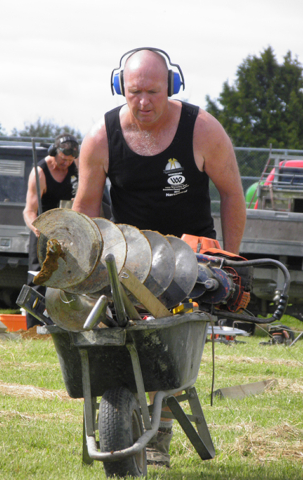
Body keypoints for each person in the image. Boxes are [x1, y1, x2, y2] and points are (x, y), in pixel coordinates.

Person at [72, 48, 246, 467]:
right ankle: (122, 411)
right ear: (120, 88)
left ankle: (157, 437)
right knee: (117, 333)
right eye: (135, 92)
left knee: (167, 341)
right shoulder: (101, 137)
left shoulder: (202, 130)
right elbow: (86, 210)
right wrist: (80, 270)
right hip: (132, 256)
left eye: (153, 91)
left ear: (172, 86)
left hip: (193, 257)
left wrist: (231, 258)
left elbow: (233, 195)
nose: (144, 101)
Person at [23, 134, 79, 329]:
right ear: (54, 153)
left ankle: (66, 324)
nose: (66, 164)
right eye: (63, 159)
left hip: (70, 230)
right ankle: (33, 327)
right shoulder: (39, 173)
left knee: (71, 278)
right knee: (39, 278)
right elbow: (29, 211)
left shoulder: (77, 167)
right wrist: (36, 227)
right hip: (44, 230)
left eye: (70, 161)